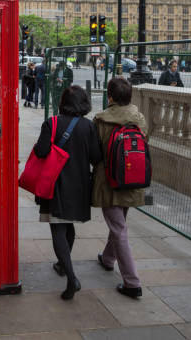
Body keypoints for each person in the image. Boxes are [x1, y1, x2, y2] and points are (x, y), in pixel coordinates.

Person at [33, 85, 102, 300]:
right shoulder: (88, 126)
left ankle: (71, 277)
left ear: (63, 102)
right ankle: (62, 266)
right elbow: (96, 157)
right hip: (79, 185)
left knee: (58, 230)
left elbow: (41, 151)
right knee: (68, 226)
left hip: (56, 184)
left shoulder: (52, 123)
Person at [92, 77, 148, 299]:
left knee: (118, 228)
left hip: (109, 182)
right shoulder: (139, 118)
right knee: (119, 224)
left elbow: (95, 153)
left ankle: (132, 282)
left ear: (111, 97)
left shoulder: (101, 120)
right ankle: (107, 259)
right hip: (133, 179)